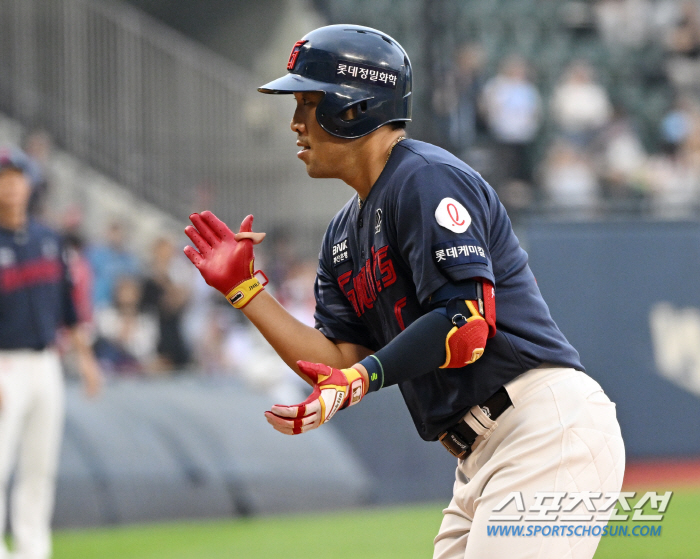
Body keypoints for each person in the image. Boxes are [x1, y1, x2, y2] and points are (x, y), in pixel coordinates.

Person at [184, 25, 625, 558]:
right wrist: (245, 292)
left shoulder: (424, 178)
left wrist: (361, 378)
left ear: (355, 107)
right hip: (480, 456)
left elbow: (466, 326)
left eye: (307, 103)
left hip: (539, 427)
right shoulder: (342, 233)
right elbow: (337, 363)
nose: (296, 124)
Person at [0, 148, 102, 559]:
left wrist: (87, 361)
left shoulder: (48, 238)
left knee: (39, 467)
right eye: (4, 177)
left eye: (17, 177)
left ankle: (32, 550)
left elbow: (68, 307)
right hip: (4, 362)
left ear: (30, 183)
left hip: (46, 362)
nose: (11, 185)